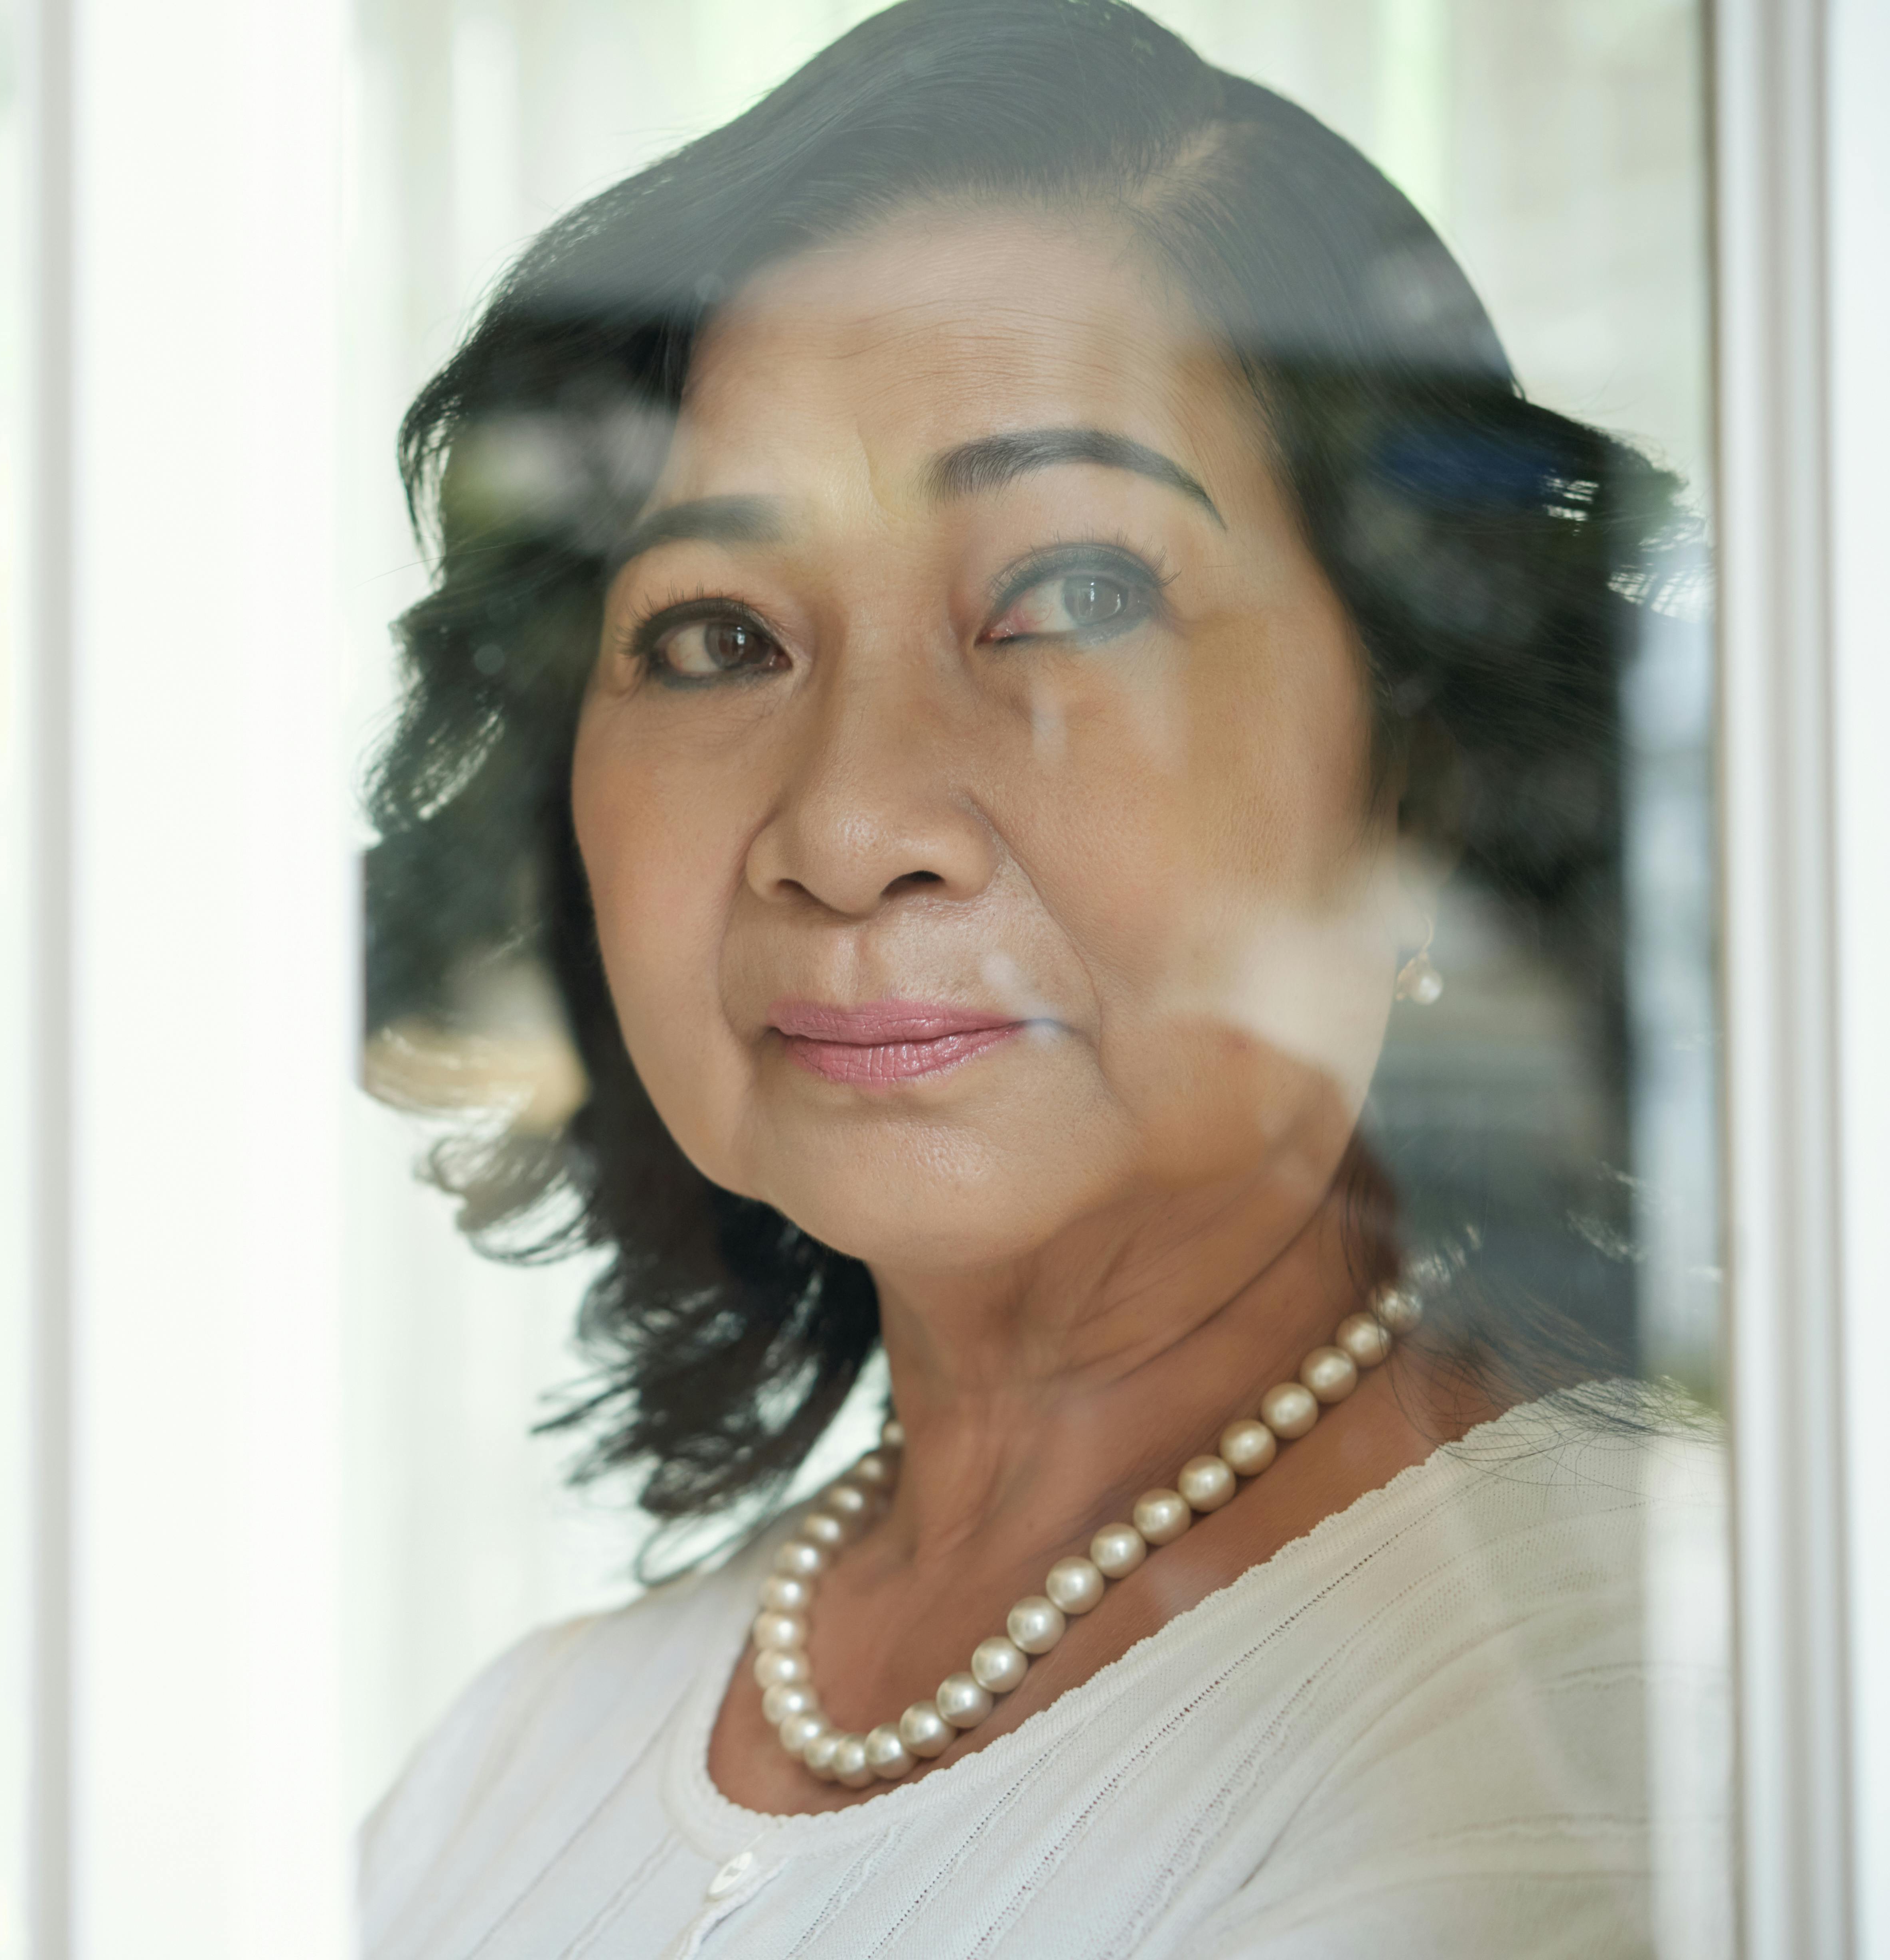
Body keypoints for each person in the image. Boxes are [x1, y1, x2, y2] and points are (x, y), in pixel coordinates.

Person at [354, 1, 1722, 1952]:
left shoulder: (1635, 1696)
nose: (847, 822)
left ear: (1420, 772)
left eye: (1076, 592)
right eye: (718, 633)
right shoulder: (516, 1757)